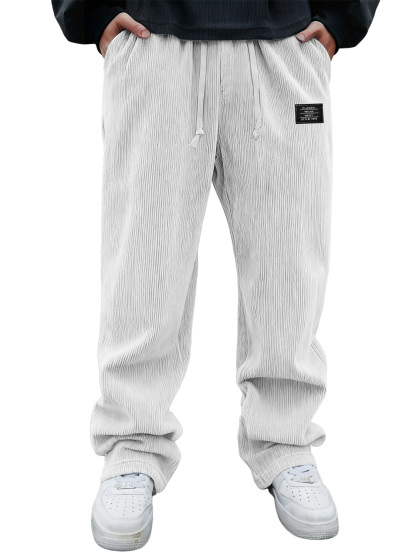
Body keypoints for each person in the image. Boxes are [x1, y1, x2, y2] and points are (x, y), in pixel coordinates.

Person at [52, 0, 379, 548]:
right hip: (155, 38)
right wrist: (90, 9)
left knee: (290, 260)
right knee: (143, 262)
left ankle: (285, 439)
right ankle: (132, 444)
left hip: (284, 41)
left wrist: (346, 12)